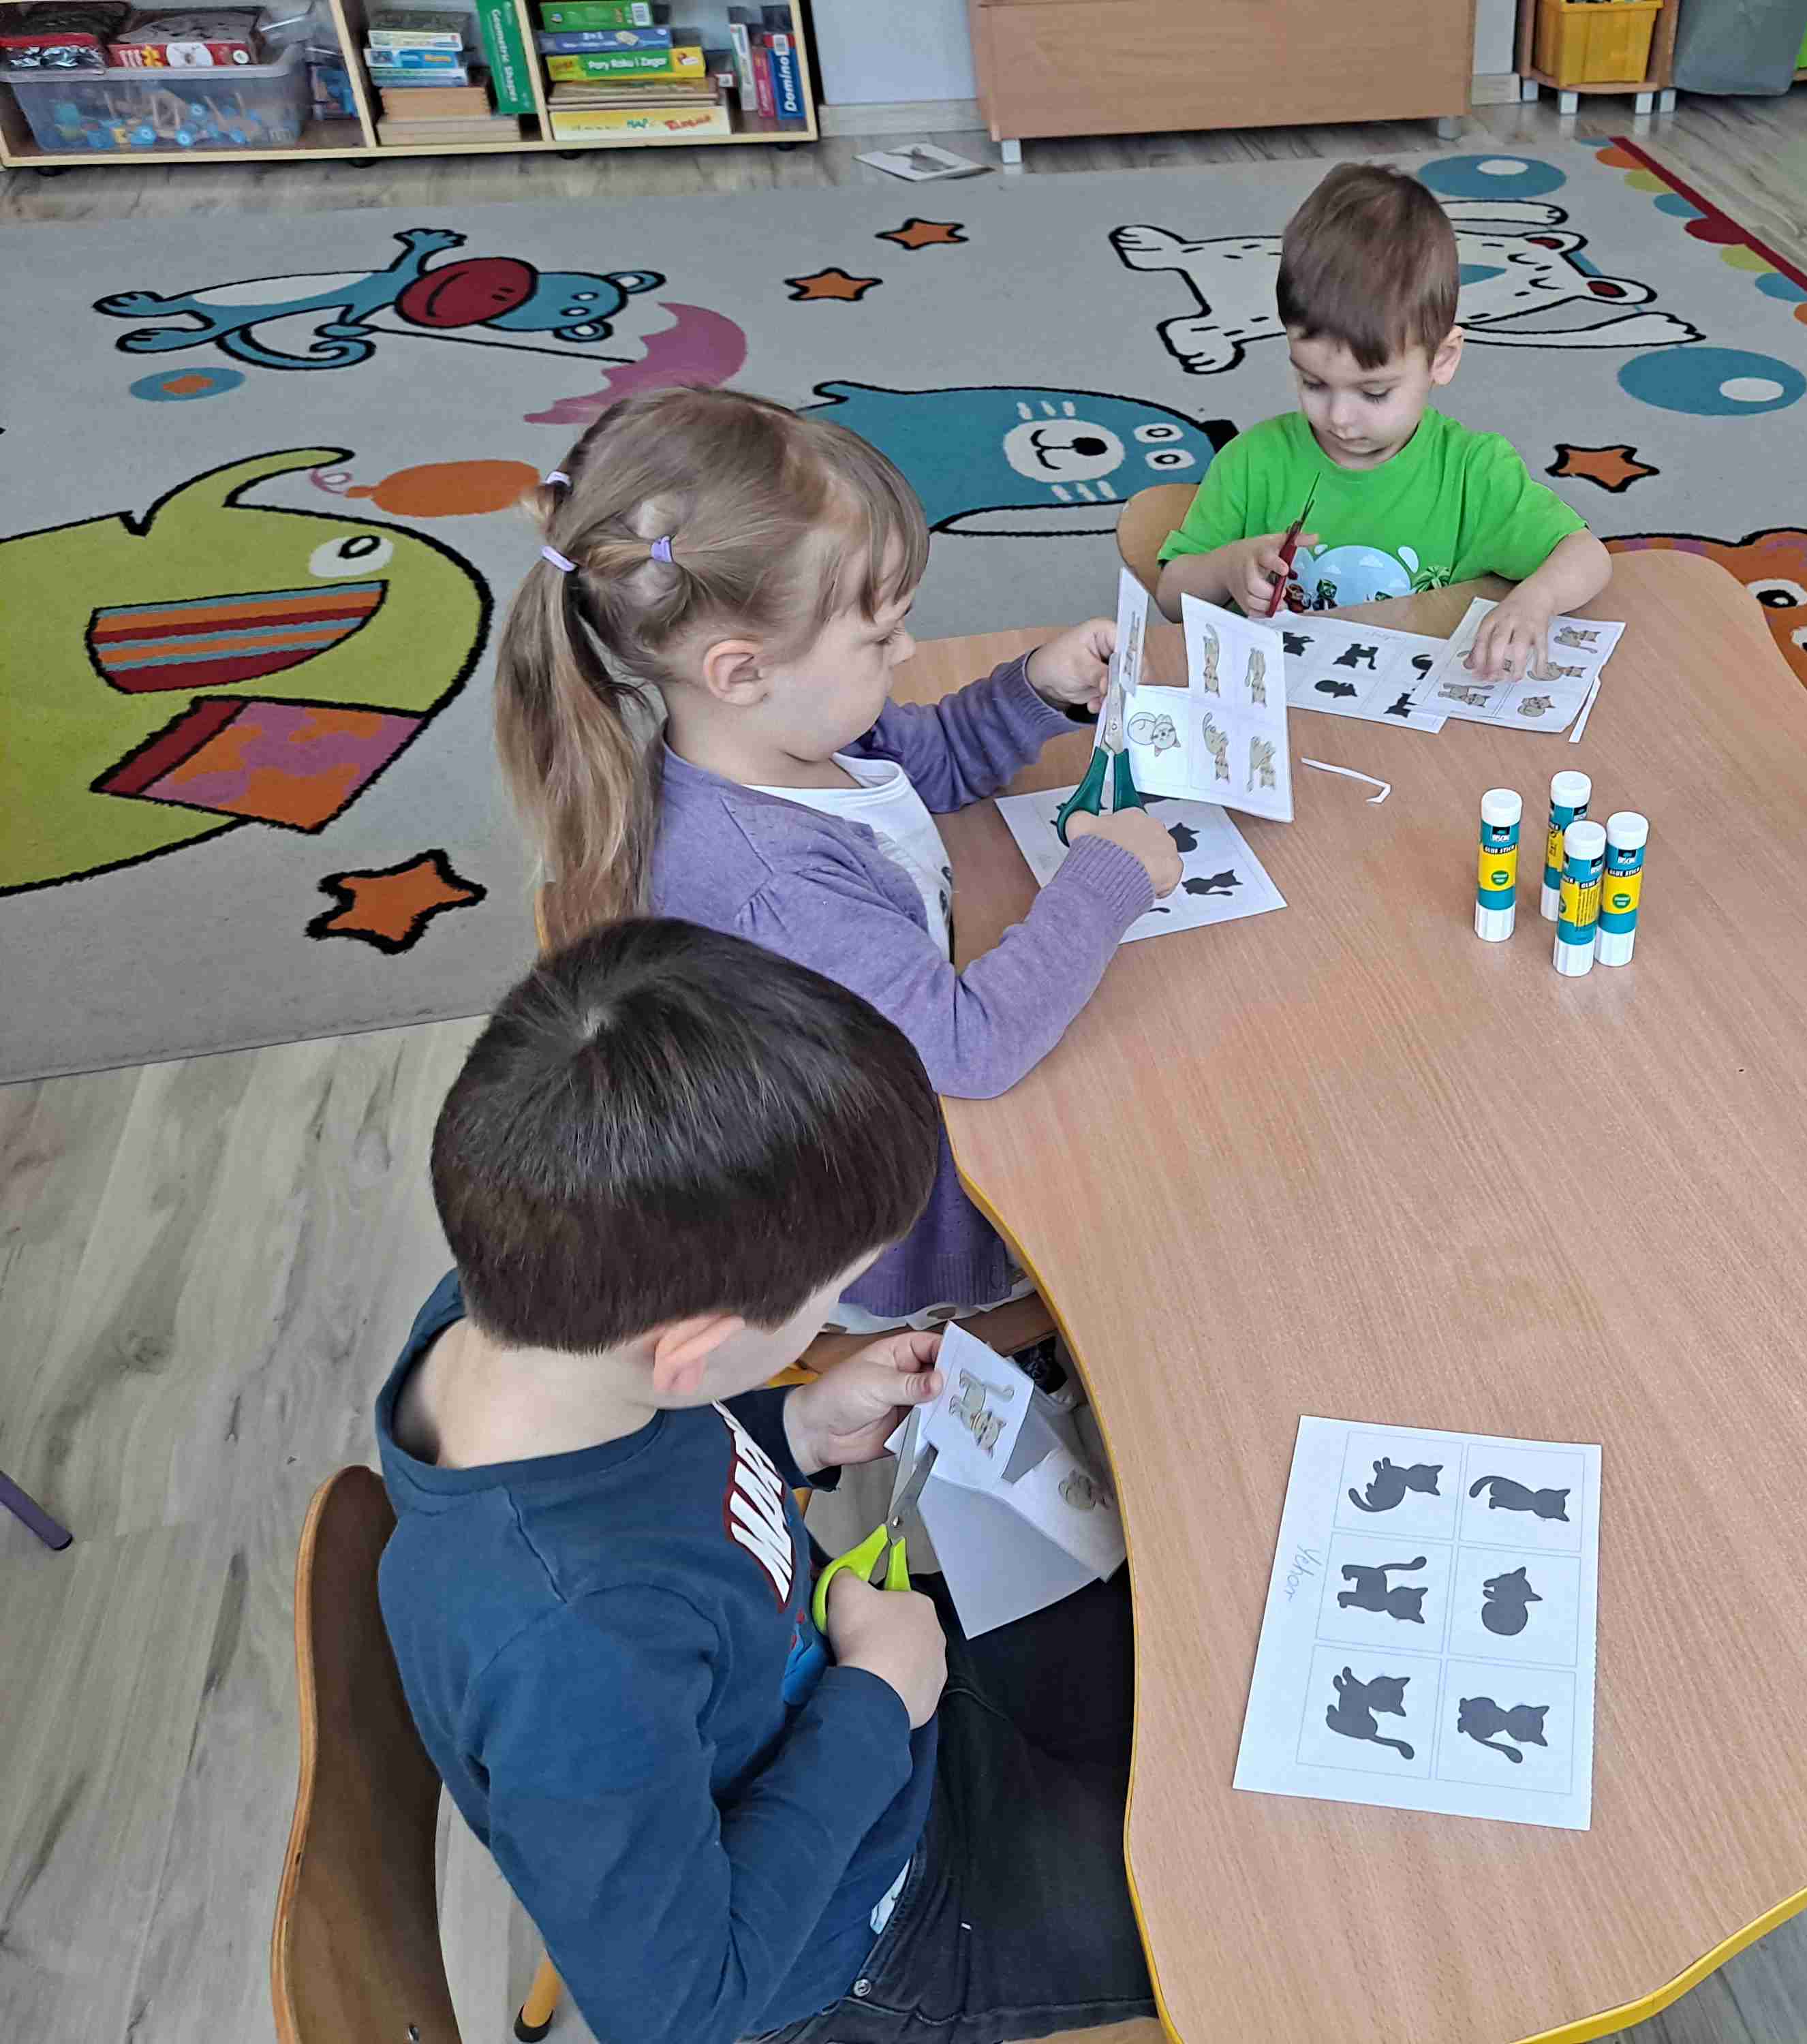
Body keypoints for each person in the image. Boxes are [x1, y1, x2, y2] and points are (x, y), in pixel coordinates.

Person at [377, 918, 1152, 2044]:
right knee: (1243, 1896)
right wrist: (873, 1701)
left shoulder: (516, 1311)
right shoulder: (568, 1653)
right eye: (830, 1296)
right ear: (692, 1352)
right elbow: (682, 2007)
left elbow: (648, 1480)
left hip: (870, 1691)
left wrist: (793, 1424)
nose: (835, 1314)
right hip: (866, 1923)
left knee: (1182, 1659)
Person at [493, 385, 1179, 1331]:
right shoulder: (771, 884)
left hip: (907, 1101)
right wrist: (1106, 884)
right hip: (909, 1233)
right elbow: (973, 1047)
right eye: (879, 635)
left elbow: (934, 761)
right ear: (742, 670)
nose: (909, 647)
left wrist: (1035, 690)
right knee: (1183, 1180)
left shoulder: (795, 736)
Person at [1152, 161, 1613, 681]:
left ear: (1442, 359)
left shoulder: (1472, 472)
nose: (1339, 418)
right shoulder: (1252, 462)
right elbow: (1171, 597)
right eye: (1313, 383)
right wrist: (1226, 567)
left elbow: (1587, 555)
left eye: (1374, 392)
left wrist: (1536, 600)